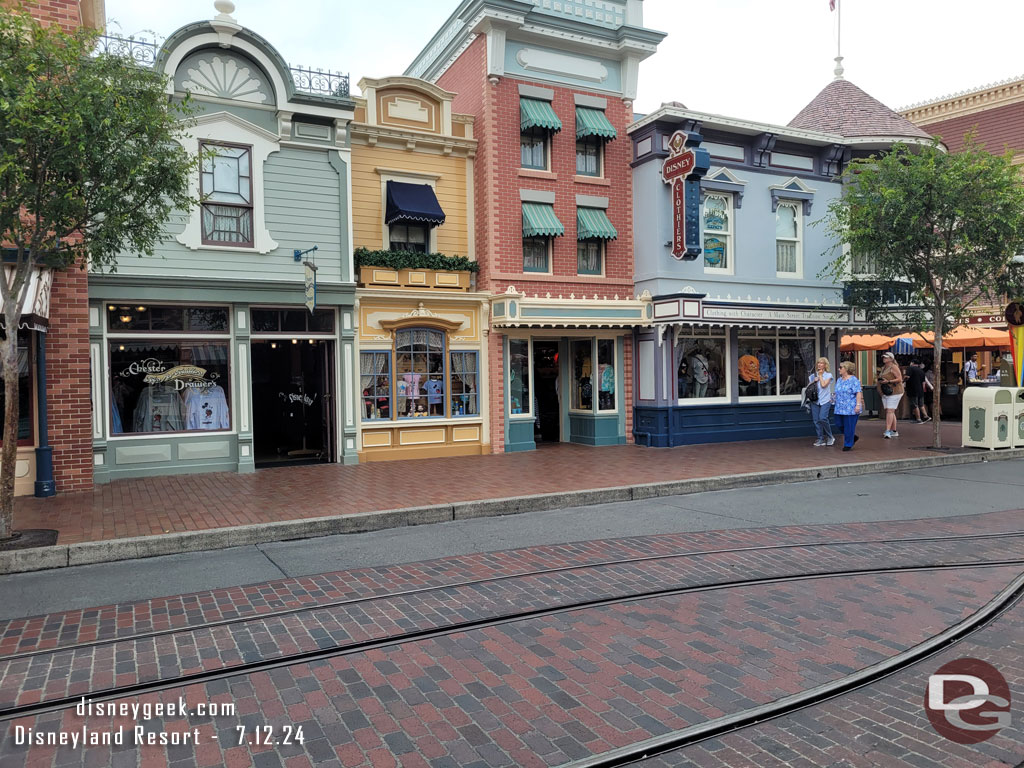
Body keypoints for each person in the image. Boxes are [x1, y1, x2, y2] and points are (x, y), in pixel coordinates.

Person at [833, 361, 864, 451]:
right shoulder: (839, 380)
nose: (839, 369)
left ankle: (848, 444)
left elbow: (858, 392)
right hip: (839, 407)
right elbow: (837, 392)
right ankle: (852, 436)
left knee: (849, 426)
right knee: (838, 424)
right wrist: (832, 398)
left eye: (841, 367)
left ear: (846, 369)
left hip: (850, 407)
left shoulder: (854, 380)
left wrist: (858, 405)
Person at [807, 357, 835, 447]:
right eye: (818, 363)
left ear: (825, 365)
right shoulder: (812, 376)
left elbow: (823, 385)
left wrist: (820, 376)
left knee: (823, 418)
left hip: (825, 400)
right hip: (815, 401)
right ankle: (820, 438)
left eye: (822, 363)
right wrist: (813, 381)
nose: (819, 364)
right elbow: (808, 387)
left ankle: (830, 436)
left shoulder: (828, 375)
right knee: (816, 420)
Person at [876, 351, 904, 438]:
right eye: (884, 357)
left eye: (886, 357)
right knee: (891, 411)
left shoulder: (894, 367)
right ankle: (894, 430)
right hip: (886, 392)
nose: (884, 358)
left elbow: (899, 378)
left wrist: (888, 381)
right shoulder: (884, 367)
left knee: (890, 410)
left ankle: (888, 430)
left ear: (891, 359)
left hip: (894, 391)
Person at [904, 358, 930, 423]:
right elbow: (923, 383)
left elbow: (907, 377)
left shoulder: (910, 368)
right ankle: (926, 416)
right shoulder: (921, 371)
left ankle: (918, 419)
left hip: (912, 389)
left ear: (912, 363)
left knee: (914, 405)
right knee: (921, 404)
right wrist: (923, 390)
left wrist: (902, 381)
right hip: (920, 390)